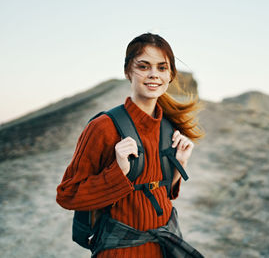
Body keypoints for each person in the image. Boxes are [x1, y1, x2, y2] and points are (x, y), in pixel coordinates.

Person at [56, 33, 204, 257]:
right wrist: (120, 172)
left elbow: (162, 194)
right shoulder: (103, 127)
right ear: (128, 72)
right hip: (120, 251)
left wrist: (180, 164)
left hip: (165, 248)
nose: (154, 74)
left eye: (162, 68)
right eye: (143, 66)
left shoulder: (168, 128)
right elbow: (68, 194)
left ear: (171, 74)